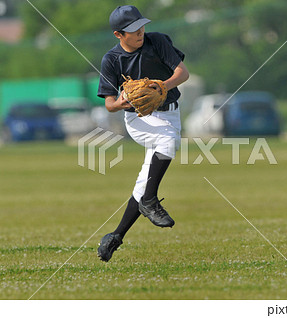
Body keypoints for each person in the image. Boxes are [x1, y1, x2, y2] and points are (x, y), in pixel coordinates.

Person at [96, 5, 189, 262]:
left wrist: (162, 86)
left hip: (170, 112)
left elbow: (182, 73)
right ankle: (150, 201)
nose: (140, 32)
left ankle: (115, 237)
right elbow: (109, 104)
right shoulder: (112, 60)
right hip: (139, 119)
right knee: (169, 140)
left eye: (141, 26)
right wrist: (123, 102)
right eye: (132, 30)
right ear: (118, 34)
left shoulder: (157, 42)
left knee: (145, 179)